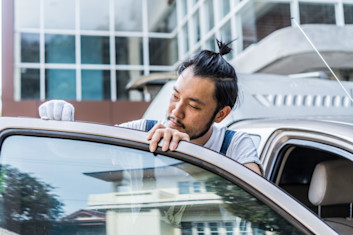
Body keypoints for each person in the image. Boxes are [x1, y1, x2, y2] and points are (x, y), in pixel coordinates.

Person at [39, 40, 263, 175]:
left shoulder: (235, 147)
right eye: (175, 96)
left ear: (221, 114)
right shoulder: (141, 133)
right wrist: (58, 121)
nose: (176, 112)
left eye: (193, 106)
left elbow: (256, 210)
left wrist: (188, 155)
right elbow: (75, 153)